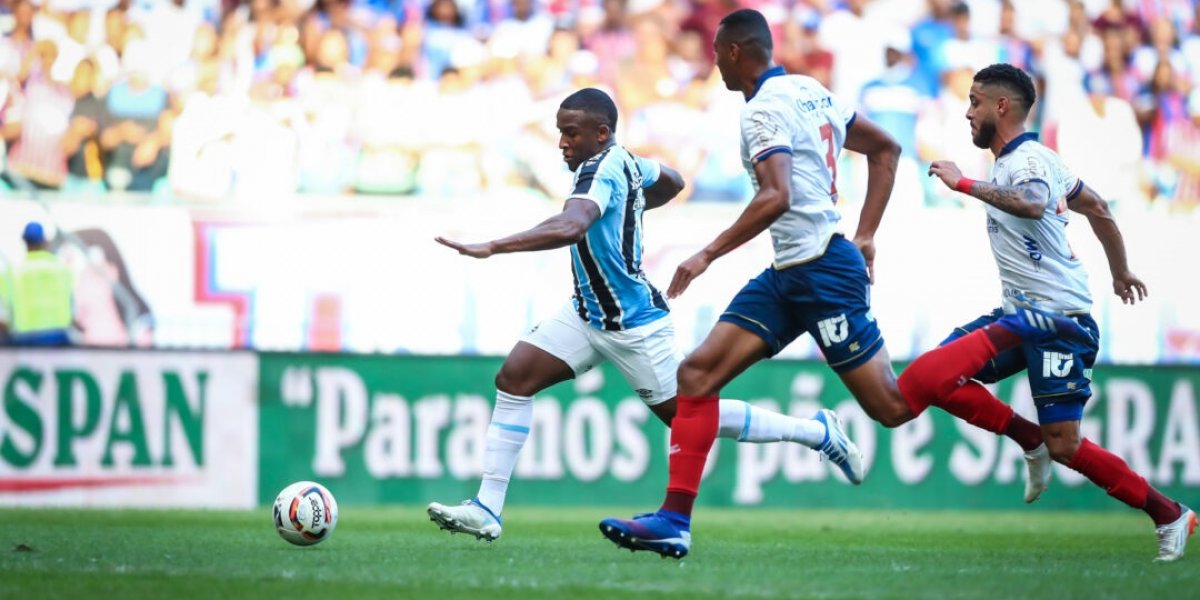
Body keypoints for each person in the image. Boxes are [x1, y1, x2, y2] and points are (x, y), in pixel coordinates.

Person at [597, 11, 1082, 560]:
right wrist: (867, 234)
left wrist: (707, 253)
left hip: (824, 274)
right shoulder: (810, 90)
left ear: (735, 52)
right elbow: (884, 149)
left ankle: (1019, 360)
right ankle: (674, 521)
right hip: (791, 273)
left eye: (716, 52)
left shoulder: (761, 113)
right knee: (697, 375)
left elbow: (776, 194)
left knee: (892, 407)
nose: (713, 62)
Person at [426, 87, 862, 542]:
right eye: (559, 132)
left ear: (601, 134)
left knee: (687, 416)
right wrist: (630, 203)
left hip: (634, 323)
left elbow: (572, 225)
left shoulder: (598, 170)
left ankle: (815, 432)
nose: (561, 143)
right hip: (586, 314)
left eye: (570, 133)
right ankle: (488, 508)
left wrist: (494, 246)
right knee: (515, 378)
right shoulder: (626, 162)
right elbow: (672, 179)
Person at [911, 63, 1193, 562]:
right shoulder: (1036, 158)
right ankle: (1028, 440)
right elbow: (1100, 207)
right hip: (1020, 316)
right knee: (936, 376)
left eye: (975, 101)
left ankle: (1169, 513)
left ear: (1001, 107)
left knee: (1066, 445)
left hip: (1061, 322)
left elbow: (1033, 203)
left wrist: (963, 184)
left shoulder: (1026, 163)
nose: (967, 111)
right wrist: (1120, 272)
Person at [7, 222, 73, 346]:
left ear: (24, 241)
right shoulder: (61, 269)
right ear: (45, 241)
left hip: (24, 337)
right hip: (58, 336)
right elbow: (73, 303)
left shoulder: (14, 271)